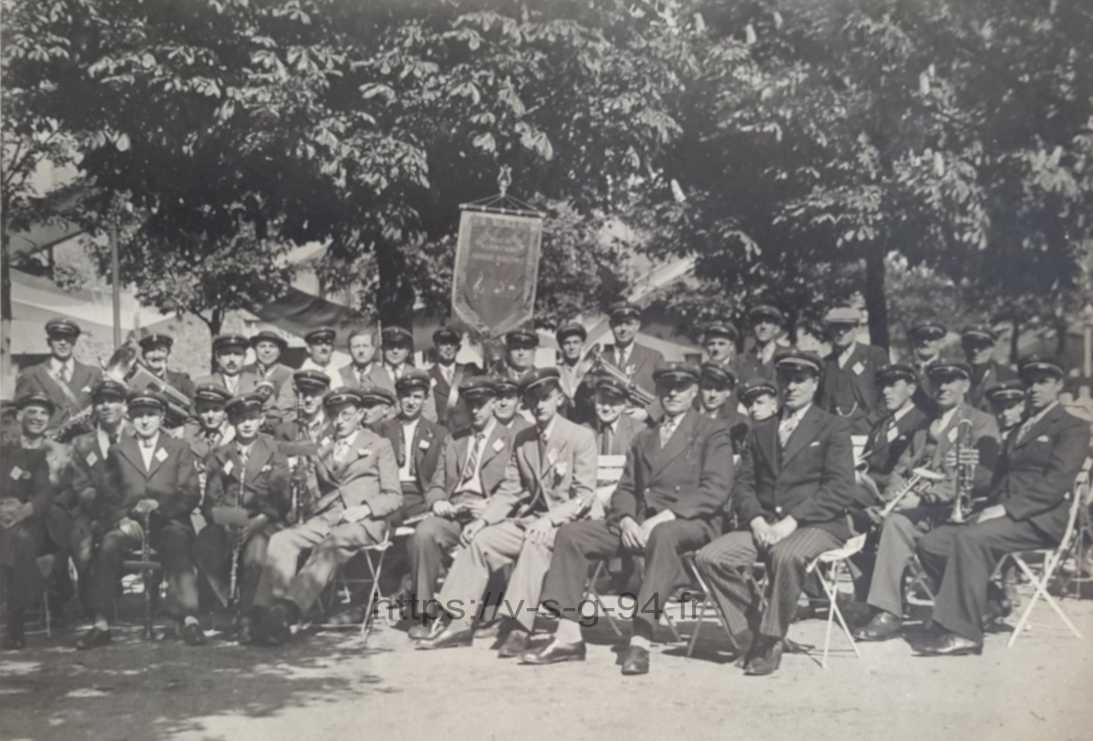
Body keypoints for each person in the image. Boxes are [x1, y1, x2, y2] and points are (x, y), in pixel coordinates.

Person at [522, 363, 733, 675]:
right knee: (571, 534)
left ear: (694, 391)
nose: (672, 393)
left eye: (681, 386)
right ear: (658, 393)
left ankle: (641, 637)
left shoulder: (711, 431)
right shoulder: (645, 437)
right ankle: (568, 636)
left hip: (692, 522)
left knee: (664, 535)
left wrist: (663, 516)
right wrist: (626, 520)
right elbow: (626, 489)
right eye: (665, 387)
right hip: (639, 524)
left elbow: (716, 490)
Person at [694, 350, 856, 676]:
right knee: (710, 557)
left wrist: (791, 521)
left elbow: (840, 489)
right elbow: (743, 485)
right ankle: (749, 629)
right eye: (786, 379)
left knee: (785, 555)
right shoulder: (761, 429)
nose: (791, 387)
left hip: (817, 524)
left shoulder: (832, 427)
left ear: (815, 383)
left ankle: (771, 638)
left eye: (800, 380)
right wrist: (755, 519)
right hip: (765, 523)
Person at [914, 356, 1090, 656]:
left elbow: (1055, 485)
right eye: (1030, 382)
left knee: (970, 539)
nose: (1034, 388)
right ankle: (989, 603)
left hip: (1041, 520)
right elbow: (998, 480)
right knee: (932, 543)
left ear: (1059, 385)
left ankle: (964, 633)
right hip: (1004, 515)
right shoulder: (1022, 427)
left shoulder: (1073, 426)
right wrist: (968, 468)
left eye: (1043, 381)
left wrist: (1005, 510)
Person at [416, 368, 597, 656]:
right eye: (533, 399)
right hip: (528, 521)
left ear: (559, 398)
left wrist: (550, 520)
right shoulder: (524, 439)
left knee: (536, 543)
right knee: (480, 540)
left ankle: (518, 626)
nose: (539, 405)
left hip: (566, 525)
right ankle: (458, 623)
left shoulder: (579, 436)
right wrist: (484, 521)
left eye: (546, 398)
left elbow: (585, 495)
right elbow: (511, 490)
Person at [853, 361, 1000, 642]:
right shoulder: (925, 424)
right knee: (893, 522)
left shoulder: (982, 421)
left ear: (966, 386)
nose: (943, 387)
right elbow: (902, 467)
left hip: (957, 509)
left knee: (902, 525)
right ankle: (888, 612)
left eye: (951, 380)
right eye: (937, 381)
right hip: (922, 509)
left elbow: (979, 476)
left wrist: (926, 496)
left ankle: (986, 596)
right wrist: (893, 499)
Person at [253, 388, 400, 645]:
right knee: (282, 540)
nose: (340, 421)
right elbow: (315, 487)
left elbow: (394, 496)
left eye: (346, 415)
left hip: (364, 521)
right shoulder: (324, 445)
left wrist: (365, 508)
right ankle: (264, 613)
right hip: (327, 517)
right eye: (335, 416)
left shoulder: (378, 445)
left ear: (360, 415)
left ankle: (288, 611)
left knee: (330, 545)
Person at [76, 391, 204, 649]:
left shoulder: (178, 449)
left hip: (168, 522)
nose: (144, 421)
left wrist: (160, 506)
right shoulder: (119, 450)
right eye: (139, 415)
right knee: (109, 545)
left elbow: (190, 493)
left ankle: (190, 619)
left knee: (178, 543)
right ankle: (100, 624)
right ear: (130, 417)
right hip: (131, 524)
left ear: (162, 417)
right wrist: (121, 519)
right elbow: (107, 494)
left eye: (151, 415)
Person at [404, 377, 518, 636]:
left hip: (491, 513)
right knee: (424, 533)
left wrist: (490, 507)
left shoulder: (512, 439)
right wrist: (438, 501)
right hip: (456, 511)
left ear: (493, 404)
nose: (475, 411)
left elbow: (516, 485)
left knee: (490, 537)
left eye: (481, 404)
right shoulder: (454, 439)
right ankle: (423, 612)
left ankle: (494, 614)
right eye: (471, 405)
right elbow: (436, 483)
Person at [194, 395, 291, 642]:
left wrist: (258, 520)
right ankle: (226, 604)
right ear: (233, 422)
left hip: (264, 521)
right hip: (229, 520)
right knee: (205, 544)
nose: (247, 424)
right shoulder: (220, 455)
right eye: (240, 419)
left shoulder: (274, 453)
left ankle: (249, 617)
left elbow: (282, 499)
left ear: (260, 420)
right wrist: (229, 521)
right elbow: (210, 502)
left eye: (252, 418)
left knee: (256, 552)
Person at [0, 395, 67, 649]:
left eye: (43, 413)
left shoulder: (40, 456)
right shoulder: (5, 452)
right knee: (15, 540)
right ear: (19, 418)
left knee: (19, 539)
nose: (5, 430)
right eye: (31, 413)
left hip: (30, 522)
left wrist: (20, 512)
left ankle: (14, 620)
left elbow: (44, 493)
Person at [66, 380, 131, 615]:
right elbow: (81, 485)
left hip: (132, 512)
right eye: (100, 402)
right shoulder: (82, 443)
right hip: (94, 511)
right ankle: (92, 596)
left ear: (124, 405)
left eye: (113, 401)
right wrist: (102, 507)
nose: (106, 406)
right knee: (80, 540)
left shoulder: (139, 437)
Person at [376, 369, 448, 525]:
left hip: (421, 496)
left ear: (425, 400)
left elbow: (440, 474)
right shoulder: (382, 429)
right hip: (390, 493)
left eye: (417, 397)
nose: (411, 402)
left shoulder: (438, 433)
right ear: (399, 398)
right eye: (406, 396)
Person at [15, 318, 103, 431]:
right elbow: (17, 415)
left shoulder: (93, 373)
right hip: (46, 444)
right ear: (48, 342)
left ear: (75, 341)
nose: (63, 342)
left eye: (68, 338)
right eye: (57, 338)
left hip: (84, 443)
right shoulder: (30, 374)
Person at [818, 306, 890, 435]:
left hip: (868, 432)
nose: (840, 332)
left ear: (856, 328)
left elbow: (887, 396)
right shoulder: (825, 363)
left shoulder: (873, 356)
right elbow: (819, 403)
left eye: (846, 327)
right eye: (836, 327)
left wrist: (870, 423)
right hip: (832, 434)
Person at [273, 370, 333, 524]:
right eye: (303, 393)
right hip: (292, 508)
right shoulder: (284, 431)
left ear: (325, 395)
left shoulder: (334, 429)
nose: (307, 399)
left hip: (327, 506)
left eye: (314, 394)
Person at [601, 301, 666, 421]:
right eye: (618, 323)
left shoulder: (654, 357)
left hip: (643, 429)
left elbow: (668, 393)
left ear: (637, 326)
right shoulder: (600, 359)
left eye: (629, 323)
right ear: (611, 325)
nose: (623, 329)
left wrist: (648, 413)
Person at [364, 326, 439, 422]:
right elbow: (370, 417)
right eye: (390, 346)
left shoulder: (421, 375)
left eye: (400, 346)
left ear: (408, 350)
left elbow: (430, 415)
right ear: (382, 349)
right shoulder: (370, 377)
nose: (395, 351)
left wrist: (388, 411)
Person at [427, 326, 479, 433]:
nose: (448, 348)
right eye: (443, 344)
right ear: (436, 347)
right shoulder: (427, 376)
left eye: (452, 344)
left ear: (457, 348)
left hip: (468, 435)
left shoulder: (469, 372)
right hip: (442, 436)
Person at [960, 325, 1016, 411]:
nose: (975, 350)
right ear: (963, 347)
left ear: (992, 348)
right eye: (970, 345)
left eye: (982, 345)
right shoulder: (955, 377)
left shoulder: (1008, 377)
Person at [243, 330, 297, 420]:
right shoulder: (245, 372)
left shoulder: (290, 374)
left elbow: (293, 408)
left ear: (279, 351)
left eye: (272, 346)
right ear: (255, 349)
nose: (267, 350)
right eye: (262, 346)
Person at [736, 304, 792, 381]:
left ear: (777, 328)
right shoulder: (741, 360)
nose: (763, 327)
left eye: (768, 322)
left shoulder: (787, 356)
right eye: (758, 322)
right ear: (752, 327)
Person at [555, 322, 596, 425]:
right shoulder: (555, 372)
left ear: (582, 344)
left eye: (576, 342)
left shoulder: (592, 369)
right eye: (567, 343)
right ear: (561, 346)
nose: (571, 347)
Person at [138, 331, 195, 402]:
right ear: (143, 355)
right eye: (151, 350)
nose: (156, 355)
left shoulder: (183, 381)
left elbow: (195, 406)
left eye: (161, 350)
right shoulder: (135, 382)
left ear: (168, 354)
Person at [908, 322, 947, 414]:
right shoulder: (906, 369)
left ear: (941, 343)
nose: (925, 342)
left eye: (931, 338)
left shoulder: (948, 369)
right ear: (913, 342)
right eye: (921, 338)